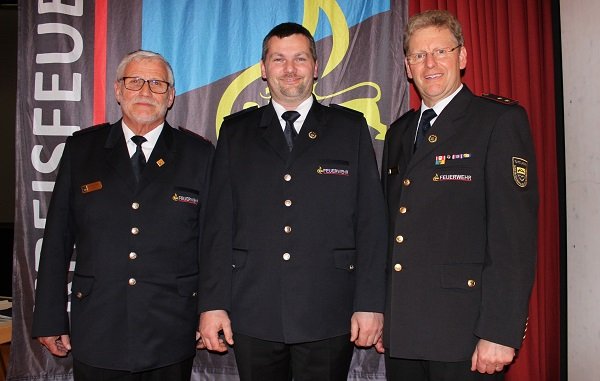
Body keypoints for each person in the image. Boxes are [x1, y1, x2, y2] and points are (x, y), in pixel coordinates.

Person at [198, 22, 387, 381]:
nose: (289, 69)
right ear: (263, 69)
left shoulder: (349, 129)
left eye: (300, 58)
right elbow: (218, 226)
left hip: (329, 309)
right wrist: (212, 303)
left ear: (315, 67)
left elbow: (370, 224)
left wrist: (370, 304)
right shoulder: (236, 132)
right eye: (279, 59)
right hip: (253, 309)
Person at [32, 50, 214, 380]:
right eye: (135, 82)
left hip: (170, 328)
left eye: (157, 83)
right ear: (118, 90)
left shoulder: (198, 155)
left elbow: (212, 244)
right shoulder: (82, 150)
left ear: (171, 96)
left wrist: (208, 312)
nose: (145, 91)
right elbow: (57, 239)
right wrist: (49, 317)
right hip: (98, 325)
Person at [380, 10, 539, 381]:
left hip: (464, 335)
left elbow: (513, 238)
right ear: (407, 67)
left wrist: (499, 332)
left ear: (462, 57)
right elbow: (392, 232)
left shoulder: (497, 121)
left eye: (441, 51)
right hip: (405, 332)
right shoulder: (400, 132)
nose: (430, 63)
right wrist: (388, 315)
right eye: (419, 55)